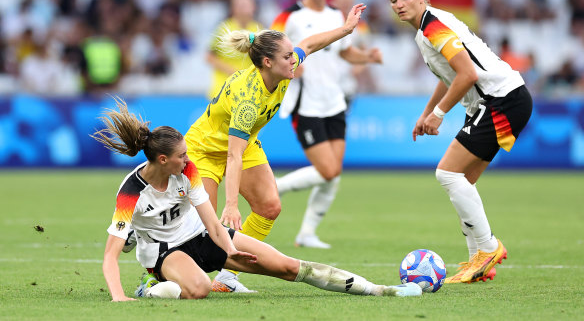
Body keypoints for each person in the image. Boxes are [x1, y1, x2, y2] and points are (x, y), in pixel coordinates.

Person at [93, 97, 422, 301]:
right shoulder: (131, 193)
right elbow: (109, 256)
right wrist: (118, 298)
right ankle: (149, 286)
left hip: (202, 235)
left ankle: (380, 290)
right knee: (199, 290)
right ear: (162, 160)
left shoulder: (187, 171)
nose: (188, 158)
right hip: (165, 251)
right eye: (181, 155)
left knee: (287, 266)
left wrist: (232, 248)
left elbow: (209, 219)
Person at [184, 1, 370, 292]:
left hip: (244, 145)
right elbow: (232, 156)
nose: (293, 60)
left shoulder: (283, 68)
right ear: (268, 62)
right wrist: (232, 204)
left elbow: (309, 43)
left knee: (269, 206)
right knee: (204, 230)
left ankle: (227, 280)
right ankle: (155, 273)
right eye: (287, 56)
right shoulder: (248, 99)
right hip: (204, 151)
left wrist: (346, 29)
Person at [387, 0, 533, 284]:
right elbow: (450, 75)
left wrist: (439, 113)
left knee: (447, 173)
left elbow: (468, 74)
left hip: (500, 100)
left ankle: (488, 248)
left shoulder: (433, 27)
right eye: (393, 0)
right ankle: (478, 262)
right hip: (504, 99)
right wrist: (426, 112)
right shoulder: (426, 29)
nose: (399, 4)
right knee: (463, 179)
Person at [271, 0, 382, 249]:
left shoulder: (337, 16)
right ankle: (275, 188)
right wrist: (288, 65)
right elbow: (266, 49)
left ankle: (307, 233)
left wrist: (368, 57)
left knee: (333, 173)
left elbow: (345, 53)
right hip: (305, 104)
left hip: (334, 102)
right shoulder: (289, 17)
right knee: (329, 170)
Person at [206, 0, 262, 99]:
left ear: (254, 7)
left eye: (246, 4)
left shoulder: (259, 30)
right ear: (233, 8)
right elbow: (209, 57)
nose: (243, 8)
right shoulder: (223, 29)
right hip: (223, 88)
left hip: (248, 90)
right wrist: (232, 71)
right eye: (239, 5)